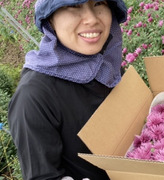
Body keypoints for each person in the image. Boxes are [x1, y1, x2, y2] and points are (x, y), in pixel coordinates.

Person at [8, 0, 127, 179]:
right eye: (73, 6)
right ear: (50, 20)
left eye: (99, 3)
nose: (91, 19)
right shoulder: (34, 97)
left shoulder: (107, 68)